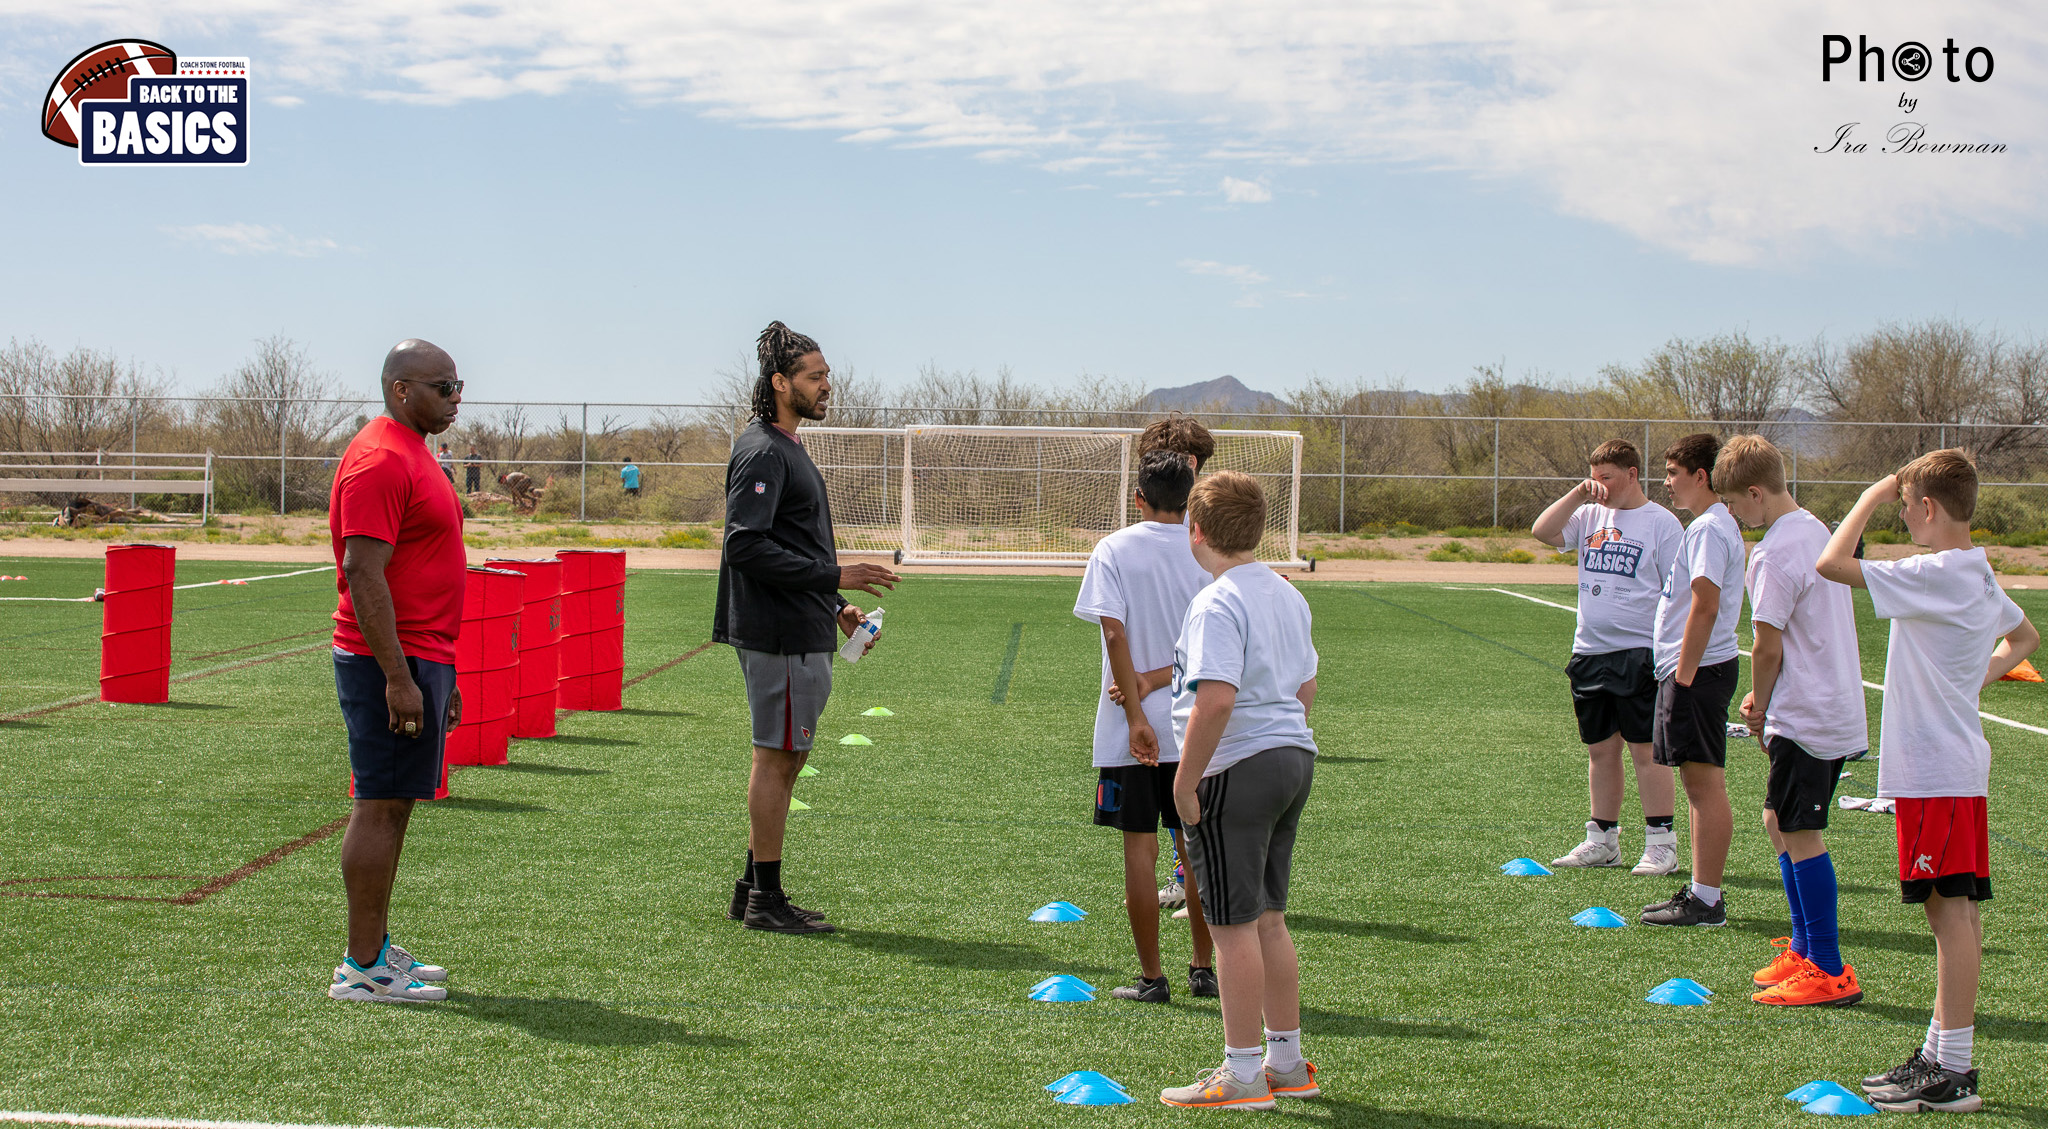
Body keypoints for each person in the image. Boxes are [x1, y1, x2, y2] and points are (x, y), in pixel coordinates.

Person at [1819, 450, 2038, 1113]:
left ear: (1928, 507)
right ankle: (1940, 1052)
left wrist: (1871, 492)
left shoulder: (1935, 570)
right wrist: (1969, 682)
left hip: (1935, 771)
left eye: (1908, 506)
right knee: (1958, 910)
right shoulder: (1975, 570)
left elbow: (1831, 563)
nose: (1904, 516)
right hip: (1956, 765)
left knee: (1947, 914)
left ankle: (1954, 1070)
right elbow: (2024, 638)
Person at [714, 321, 900, 934]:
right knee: (776, 758)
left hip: (801, 624)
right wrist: (836, 574)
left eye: (826, 376)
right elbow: (744, 545)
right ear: (780, 382)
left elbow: (790, 546)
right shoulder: (764, 450)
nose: (827, 386)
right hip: (778, 634)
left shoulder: (787, 446)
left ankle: (752, 888)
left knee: (787, 758)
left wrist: (834, 603)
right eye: (815, 377)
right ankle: (765, 899)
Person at [1160, 471, 1320, 1111]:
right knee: (1270, 920)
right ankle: (1286, 1062)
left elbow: (1217, 699)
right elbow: (1306, 686)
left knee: (1230, 927)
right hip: (1291, 757)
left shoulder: (1217, 601)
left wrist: (1185, 779)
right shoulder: (1286, 593)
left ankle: (1244, 1072)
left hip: (1237, 767)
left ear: (1196, 531)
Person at [325, 339, 467, 1003]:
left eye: (458, 385)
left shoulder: (415, 450)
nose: (456, 398)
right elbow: (362, 568)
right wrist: (399, 678)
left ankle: (377, 948)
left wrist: (441, 672)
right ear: (400, 390)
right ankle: (362, 969)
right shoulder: (380, 456)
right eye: (443, 387)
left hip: (420, 654)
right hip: (389, 658)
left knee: (396, 803)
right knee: (378, 804)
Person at [1716, 435, 1867, 1006]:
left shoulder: (1774, 551)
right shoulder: (1813, 528)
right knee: (1777, 820)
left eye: (1735, 503)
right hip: (1825, 705)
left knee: (1800, 833)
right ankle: (1805, 950)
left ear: (1756, 493)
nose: (1734, 514)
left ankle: (1827, 966)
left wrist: (1758, 704)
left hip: (1808, 712)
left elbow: (1767, 644)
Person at [1074, 450, 1217, 1003]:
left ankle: (1152, 978)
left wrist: (1135, 715)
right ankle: (1203, 968)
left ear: (1137, 498)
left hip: (1128, 729)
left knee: (1140, 850)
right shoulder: (1204, 551)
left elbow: (1114, 634)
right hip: (1193, 726)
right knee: (1194, 849)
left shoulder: (1113, 548)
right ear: (1191, 498)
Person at [1531, 440, 1683, 874]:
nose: (1599, 486)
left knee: (1646, 752)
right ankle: (1602, 839)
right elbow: (1543, 531)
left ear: (1632, 474)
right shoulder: (1589, 514)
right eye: (1594, 477)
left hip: (1640, 652)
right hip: (1590, 650)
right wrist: (1579, 493)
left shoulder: (1662, 523)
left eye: (1607, 478)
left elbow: (1677, 592)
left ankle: (1661, 843)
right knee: (1600, 750)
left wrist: (1666, 652)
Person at [1641, 433, 1745, 927]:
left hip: (1698, 672)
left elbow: (1705, 605)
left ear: (1701, 476)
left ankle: (1706, 900)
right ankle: (1703, 894)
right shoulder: (1711, 524)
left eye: (1673, 473)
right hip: (1697, 669)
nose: (1666, 483)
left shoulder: (1708, 528)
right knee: (1698, 783)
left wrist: (1681, 679)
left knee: (1703, 785)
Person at [1132, 413, 1213, 911]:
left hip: (1194, 693)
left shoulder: (1207, 533)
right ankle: (1194, 880)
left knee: (1197, 800)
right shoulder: (1145, 535)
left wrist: (1147, 678)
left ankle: (1206, 887)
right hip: (1158, 700)